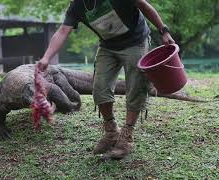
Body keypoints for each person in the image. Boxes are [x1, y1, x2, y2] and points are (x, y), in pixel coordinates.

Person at [37, 0, 175, 159]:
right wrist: (46, 57)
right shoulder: (76, 6)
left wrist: (163, 30)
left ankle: (126, 136)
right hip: (108, 46)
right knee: (100, 88)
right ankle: (111, 132)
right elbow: (62, 31)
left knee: (136, 87)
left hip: (136, 41)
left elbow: (143, 4)